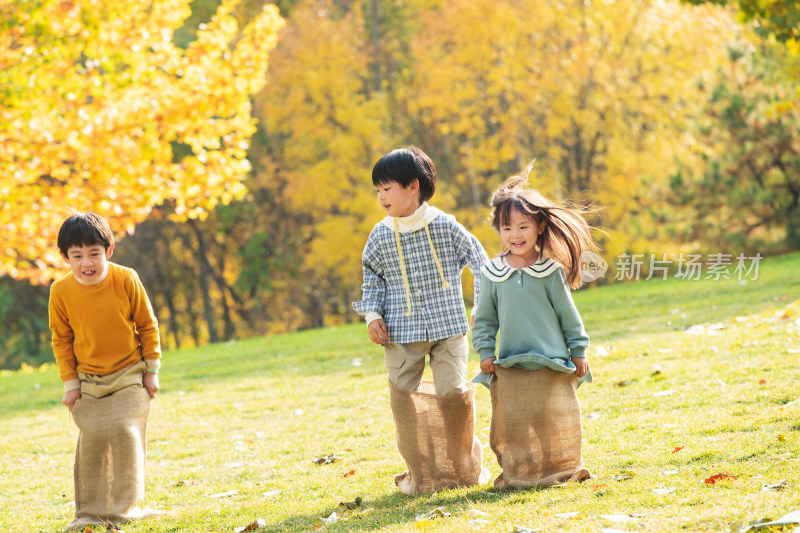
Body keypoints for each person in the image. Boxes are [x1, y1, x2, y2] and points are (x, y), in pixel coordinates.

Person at [353, 146, 490, 494]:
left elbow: (479, 258)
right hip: (400, 332)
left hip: (449, 328)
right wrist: (372, 316)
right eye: (378, 191)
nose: (381, 197)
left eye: (387, 188)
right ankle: (422, 472)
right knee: (404, 400)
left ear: (413, 186)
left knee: (453, 395)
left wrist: (483, 303)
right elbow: (372, 280)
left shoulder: (444, 225)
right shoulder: (380, 235)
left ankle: (463, 469)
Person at [471, 164, 597, 489]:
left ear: (540, 227)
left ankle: (556, 467)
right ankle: (523, 471)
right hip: (512, 364)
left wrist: (579, 352)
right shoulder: (492, 273)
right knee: (515, 422)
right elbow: (484, 319)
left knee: (549, 419)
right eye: (506, 228)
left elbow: (569, 316)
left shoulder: (550, 272)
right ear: (499, 231)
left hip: (551, 361)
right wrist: (485, 351)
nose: (515, 235)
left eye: (523, 227)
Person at [48, 212, 164, 531]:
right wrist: (71, 385)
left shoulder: (126, 279)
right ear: (65, 257)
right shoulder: (60, 291)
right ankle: (91, 512)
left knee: (126, 431)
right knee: (96, 436)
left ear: (108, 251)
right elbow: (62, 340)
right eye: (78, 255)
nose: (88, 262)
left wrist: (151, 370)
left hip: (130, 370)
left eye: (94, 254)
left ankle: (125, 507)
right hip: (88, 378)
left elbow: (147, 325)